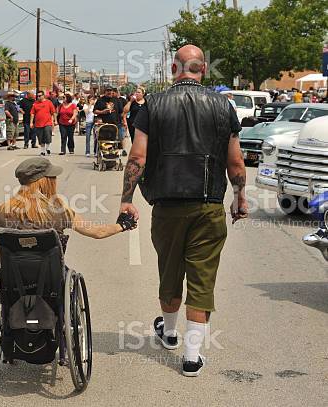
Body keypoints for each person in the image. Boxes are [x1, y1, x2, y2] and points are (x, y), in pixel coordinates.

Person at [118, 45, 248, 377]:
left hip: (167, 207)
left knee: (170, 272)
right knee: (202, 281)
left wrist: (126, 198)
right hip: (208, 207)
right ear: (202, 69)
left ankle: (170, 332)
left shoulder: (154, 105)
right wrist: (240, 196)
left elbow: (137, 158)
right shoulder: (223, 106)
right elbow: (235, 162)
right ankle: (192, 358)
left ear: (174, 67)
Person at [0, 157, 132, 254]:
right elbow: (97, 232)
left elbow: (0, 247)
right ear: (43, 181)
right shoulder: (57, 210)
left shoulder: (1, 211)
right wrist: (123, 225)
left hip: (14, 278)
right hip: (50, 279)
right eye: (52, 177)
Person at [30, 91, 56, 156]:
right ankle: (42, 151)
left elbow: (53, 112)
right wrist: (31, 122)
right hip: (38, 124)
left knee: (47, 136)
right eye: (37, 96)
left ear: (43, 95)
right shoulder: (35, 104)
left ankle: (48, 148)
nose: (38, 97)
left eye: (40, 96)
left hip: (47, 123)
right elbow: (32, 114)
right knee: (40, 138)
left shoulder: (49, 102)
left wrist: (55, 120)